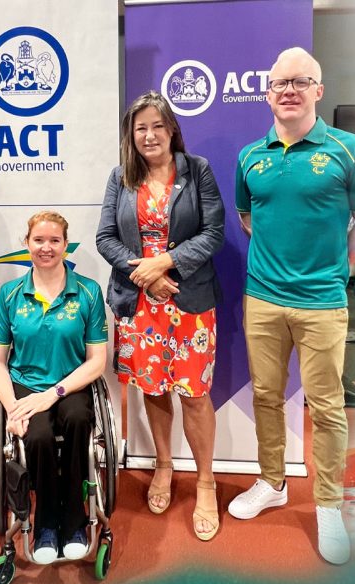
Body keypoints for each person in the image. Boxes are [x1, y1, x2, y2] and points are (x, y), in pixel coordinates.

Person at [228, 47, 355, 565]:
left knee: (328, 406)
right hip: (262, 298)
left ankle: (328, 505)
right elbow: (248, 217)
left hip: (322, 301)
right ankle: (272, 482)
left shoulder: (349, 149)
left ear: (318, 89)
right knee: (266, 396)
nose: (289, 90)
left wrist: (343, 267)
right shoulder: (250, 156)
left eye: (300, 81)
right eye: (279, 83)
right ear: (267, 93)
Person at [96, 91, 224, 541]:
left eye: (157, 126)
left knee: (194, 395)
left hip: (189, 302)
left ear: (172, 130)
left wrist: (166, 263)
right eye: (140, 128)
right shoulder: (120, 177)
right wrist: (145, 277)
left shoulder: (197, 170)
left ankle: (205, 481)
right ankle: (164, 465)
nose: (149, 135)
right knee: (153, 389)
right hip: (140, 303)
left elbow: (213, 232)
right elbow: (105, 238)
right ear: (130, 135)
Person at [0, 212, 107, 563]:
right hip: (24, 385)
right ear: (27, 244)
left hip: (70, 383)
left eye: (55, 240)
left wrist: (52, 394)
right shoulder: (10, 294)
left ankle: (75, 519)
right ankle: (47, 523)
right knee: (36, 437)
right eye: (38, 240)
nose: (46, 247)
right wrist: (13, 407)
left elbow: (97, 361)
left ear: (66, 245)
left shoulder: (88, 291)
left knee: (79, 420)